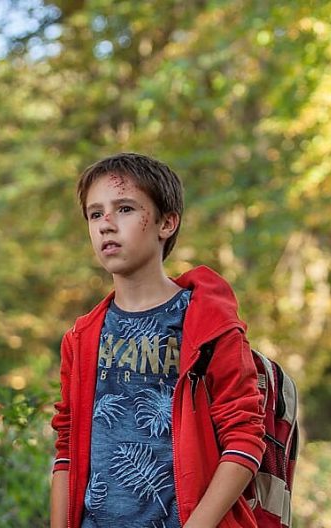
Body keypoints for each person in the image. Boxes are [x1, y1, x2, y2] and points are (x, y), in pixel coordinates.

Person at [50, 153, 266, 528]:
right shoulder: (81, 338)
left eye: (126, 209)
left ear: (166, 222)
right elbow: (66, 451)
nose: (106, 225)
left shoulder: (209, 326)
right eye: (95, 214)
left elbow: (244, 439)